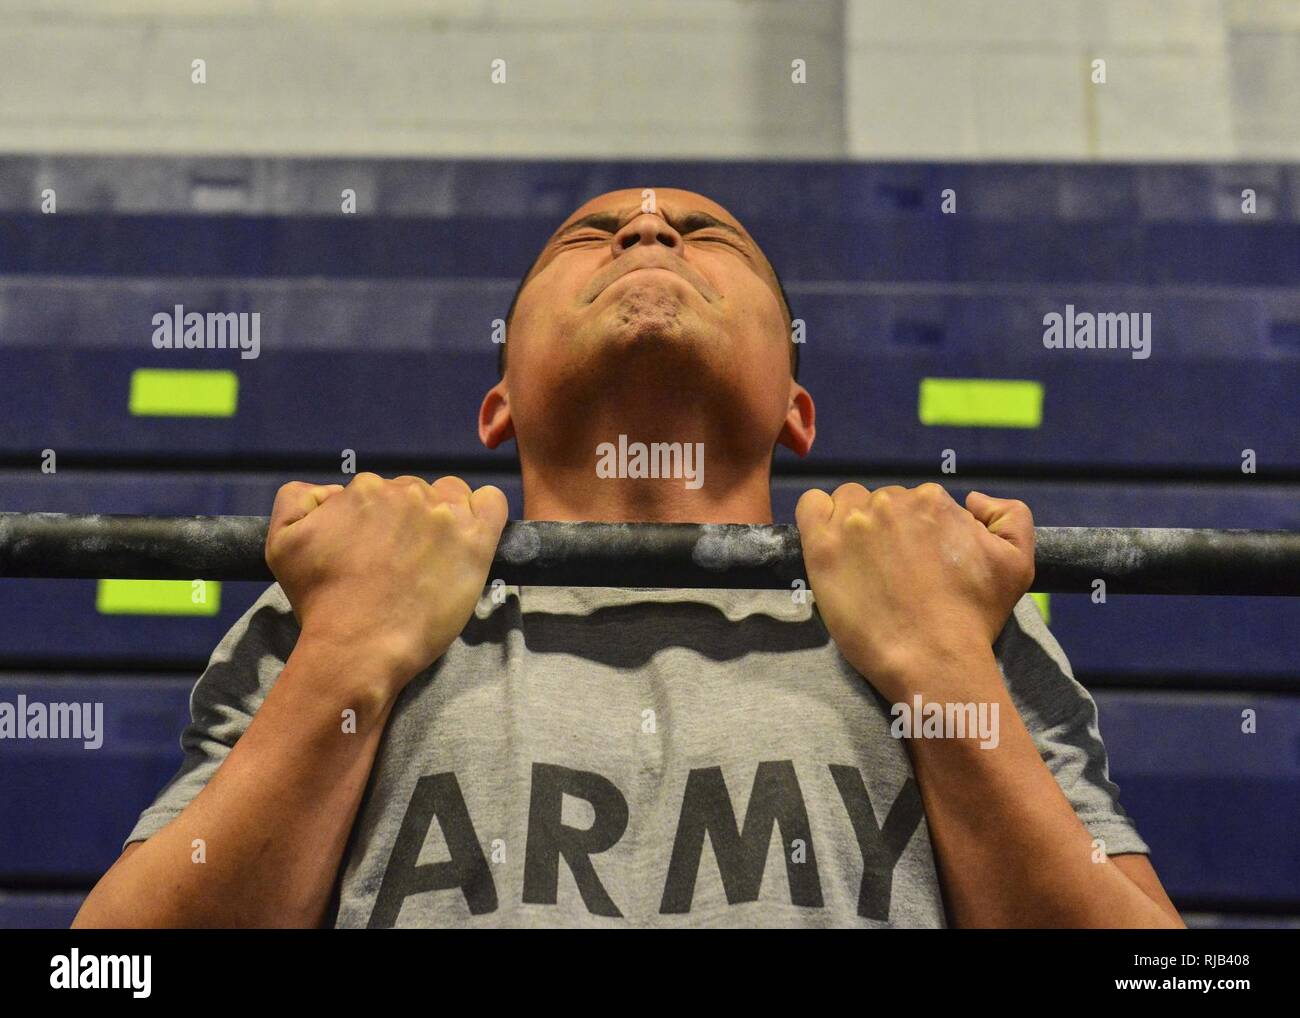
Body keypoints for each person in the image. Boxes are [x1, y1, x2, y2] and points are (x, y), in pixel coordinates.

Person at [73, 188, 1182, 928]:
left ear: (798, 411)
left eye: (706, 238)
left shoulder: (955, 611)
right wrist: (348, 653)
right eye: (589, 238)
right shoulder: (335, 606)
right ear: (496, 401)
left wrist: (940, 662)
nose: (648, 237)